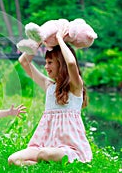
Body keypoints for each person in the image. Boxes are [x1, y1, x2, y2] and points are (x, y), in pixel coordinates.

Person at [8, 28, 92, 165]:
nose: (46, 67)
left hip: (69, 148)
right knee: (13, 160)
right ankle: (42, 163)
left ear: (61, 63)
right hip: (44, 144)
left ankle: (51, 160)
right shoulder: (48, 85)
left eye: (50, 62)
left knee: (45, 154)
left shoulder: (75, 87)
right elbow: (23, 61)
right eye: (46, 62)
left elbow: (71, 63)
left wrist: (59, 39)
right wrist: (41, 39)